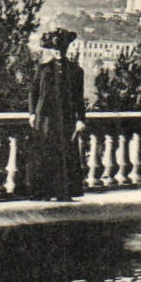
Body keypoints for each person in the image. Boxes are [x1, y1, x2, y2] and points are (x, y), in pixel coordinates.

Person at [27, 28, 86, 200]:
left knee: (64, 154)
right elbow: (33, 92)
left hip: (65, 118)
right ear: (52, 50)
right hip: (45, 118)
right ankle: (43, 192)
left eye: (62, 48)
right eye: (55, 49)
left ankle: (63, 191)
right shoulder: (43, 69)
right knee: (44, 152)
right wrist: (32, 113)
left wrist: (81, 119)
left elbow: (79, 98)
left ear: (66, 49)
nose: (59, 51)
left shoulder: (76, 71)